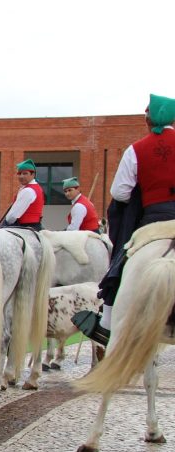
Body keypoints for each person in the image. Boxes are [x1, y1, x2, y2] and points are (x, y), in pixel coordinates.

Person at [74, 93, 175, 345]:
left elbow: (119, 192)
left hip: (152, 222)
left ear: (149, 119)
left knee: (120, 262)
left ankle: (106, 323)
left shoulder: (136, 149)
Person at [0, 159, 44, 230]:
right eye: (19, 174)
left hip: (24, 227)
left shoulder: (28, 191)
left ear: (33, 174)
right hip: (35, 226)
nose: (21, 176)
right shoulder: (36, 188)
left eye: (25, 173)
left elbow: (13, 216)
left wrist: (4, 224)